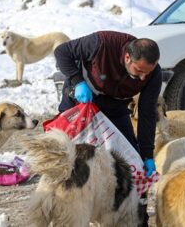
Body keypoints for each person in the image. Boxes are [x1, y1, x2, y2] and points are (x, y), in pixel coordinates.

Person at [54, 30, 162, 226]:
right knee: (70, 163)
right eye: (139, 70)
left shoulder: (152, 75)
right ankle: (66, 213)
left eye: (147, 72)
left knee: (132, 166)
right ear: (127, 57)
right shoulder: (102, 44)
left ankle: (137, 221)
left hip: (115, 109)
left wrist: (146, 155)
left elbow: (146, 114)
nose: (142, 77)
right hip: (81, 103)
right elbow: (62, 52)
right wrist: (78, 82)